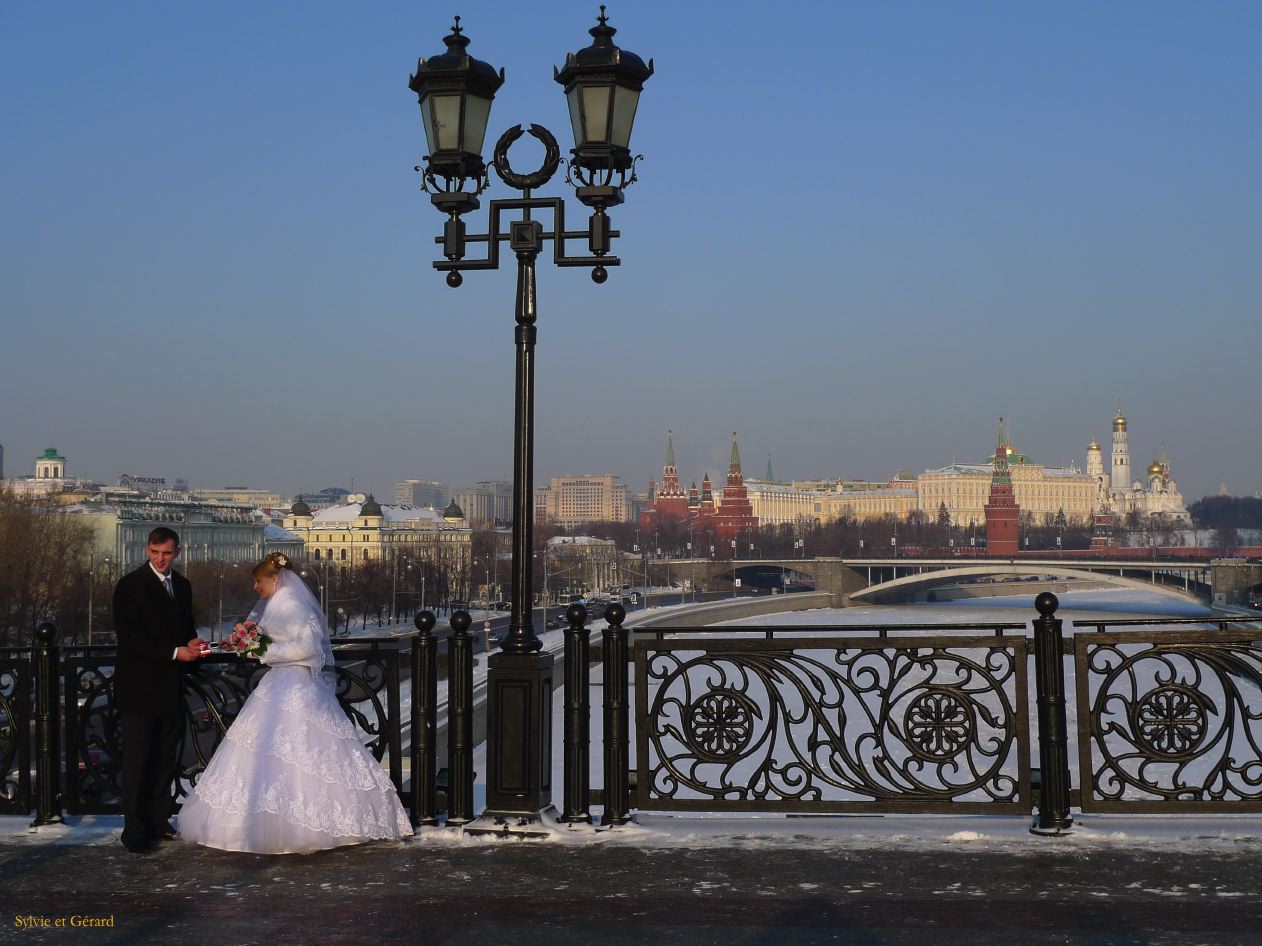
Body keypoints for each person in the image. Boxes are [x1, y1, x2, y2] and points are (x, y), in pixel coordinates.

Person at [178, 553, 411, 853]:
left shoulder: (292, 604)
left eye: (257, 581)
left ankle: (300, 827)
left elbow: (308, 649)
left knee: (300, 754)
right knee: (278, 755)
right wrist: (245, 644)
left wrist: (261, 652)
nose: (254, 587)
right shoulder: (279, 603)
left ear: (274, 579)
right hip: (281, 684)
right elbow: (271, 638)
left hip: (295, 686)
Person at [112, 526, 210, 854]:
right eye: (154, 553)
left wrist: (192, 643)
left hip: (170, 687)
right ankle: (135, 831)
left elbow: (186, 626)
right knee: (138, 761)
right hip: (140, 688)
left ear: (177, 552)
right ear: (147, 550)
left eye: (166, 553)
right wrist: (175, 652)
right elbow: (131, 638)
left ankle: (158, 821)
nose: (160, 559)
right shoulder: (129, 586)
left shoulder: (182, 586)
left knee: (165, 759)